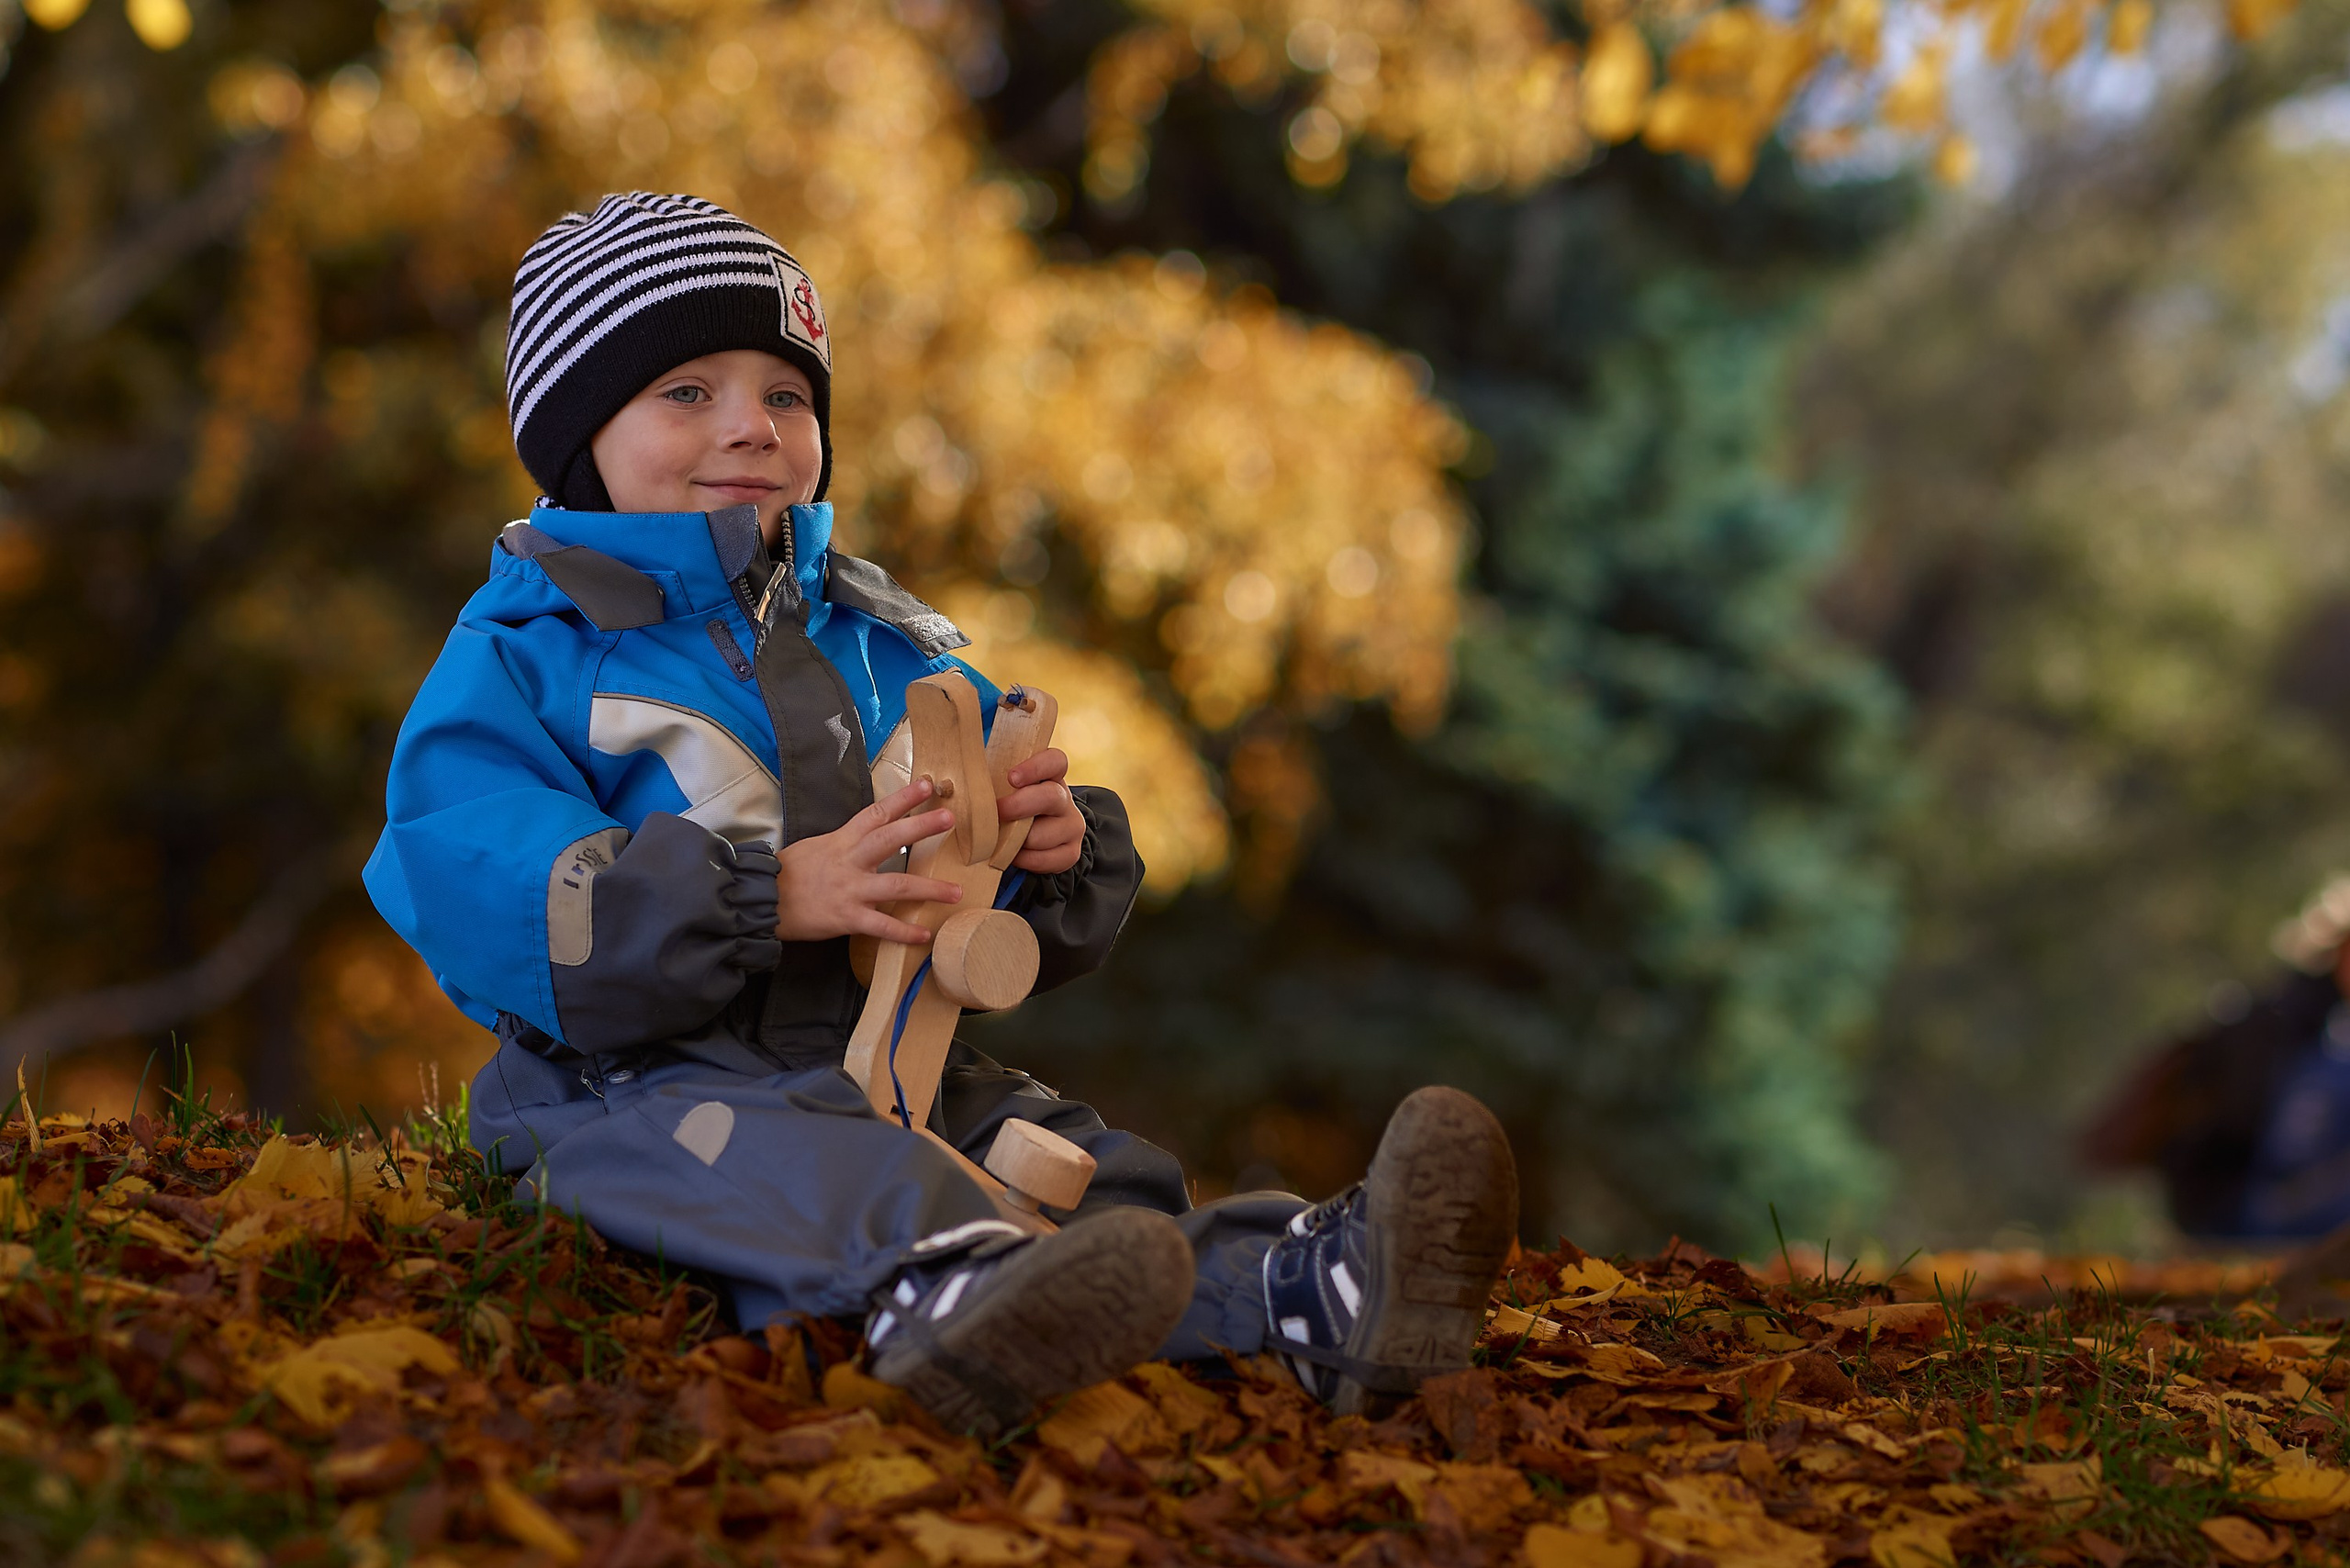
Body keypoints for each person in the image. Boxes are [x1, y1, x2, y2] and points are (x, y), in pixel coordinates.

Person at [363, 193, 1519, 1433]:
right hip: (625, 1086)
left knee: (1070, 1159)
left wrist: (1043, 850)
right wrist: (765, 897)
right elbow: (471, 868)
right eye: (686, 392)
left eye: (787, 395)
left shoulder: (871, 635)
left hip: (888, 1048)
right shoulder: (530, 651)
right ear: (581, 437)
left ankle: (1311, 1290)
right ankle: (943, 1296)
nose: (751, 424)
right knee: (796, 1157)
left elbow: (968, 867)